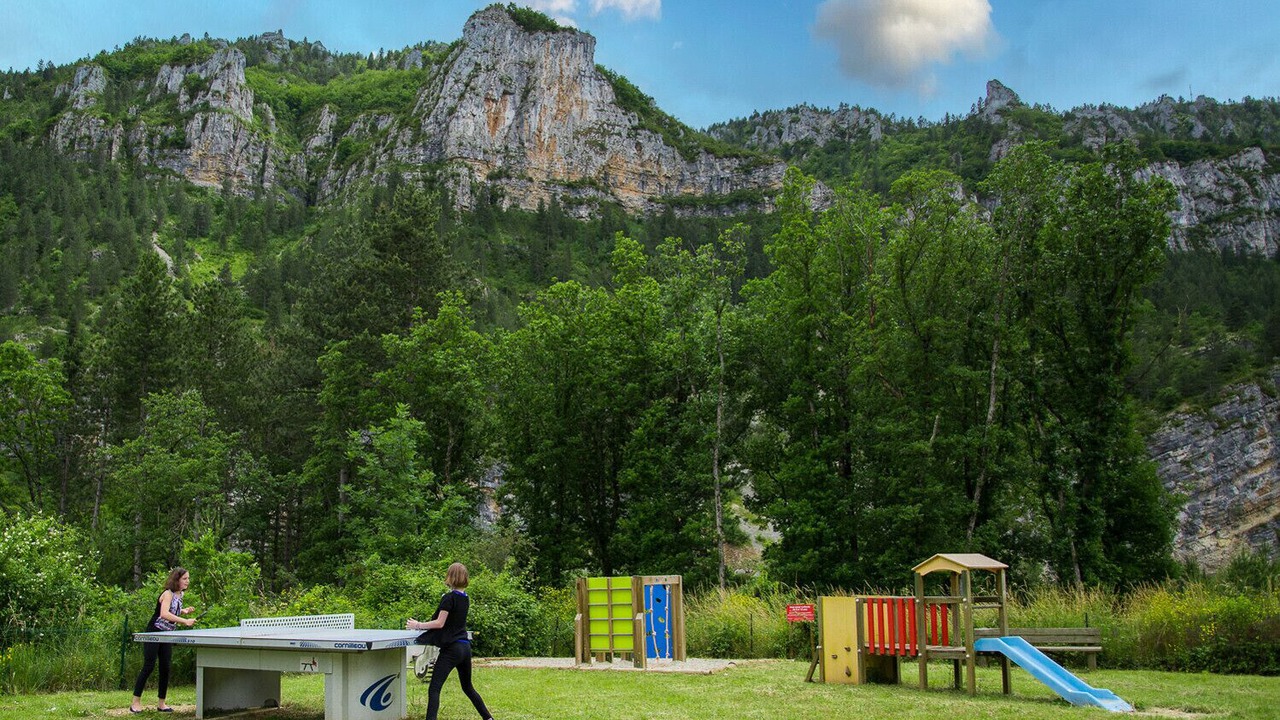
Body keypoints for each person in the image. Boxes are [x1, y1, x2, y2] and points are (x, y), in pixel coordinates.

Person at [407, 562, 494, 720]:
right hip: (465, 647)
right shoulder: (465, 599)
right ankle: (488, 718)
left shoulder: (449, 598)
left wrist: (417, 625)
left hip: (452, 649)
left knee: (434, 689)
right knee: (468, 687)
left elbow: (440, 623)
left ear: (450, 577)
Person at [130, 567, 197, 714]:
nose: (187, 581)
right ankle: (135, 702)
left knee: (165, 667)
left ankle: (162, 703)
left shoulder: (180, 595)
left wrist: (184, 611)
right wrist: (184, 621)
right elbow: (164, 613)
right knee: (149, 665)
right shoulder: (167, 593)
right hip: (154, 632)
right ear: (177, 580)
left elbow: (173, 610)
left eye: (188, 578)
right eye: (184, 579)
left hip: (166, 634)